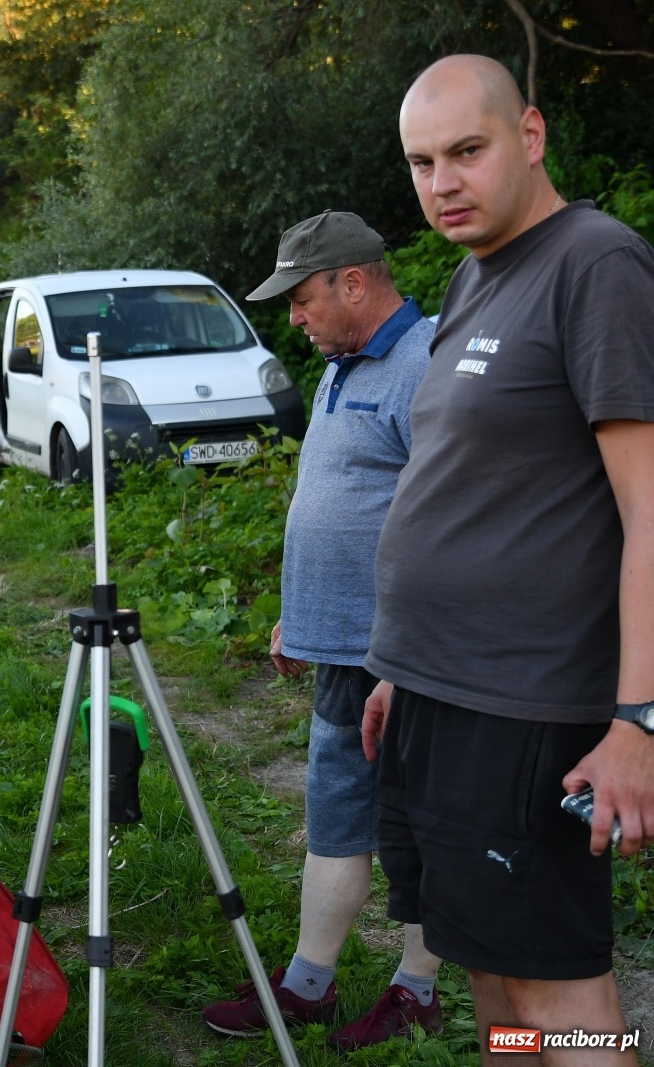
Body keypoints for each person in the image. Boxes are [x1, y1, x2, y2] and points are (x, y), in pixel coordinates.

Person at [363, 55, 654, 1062]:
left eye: (465, 152)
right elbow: (471, 485)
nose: (441, 182)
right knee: (489, 968)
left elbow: (648, 509)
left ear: (528, 137)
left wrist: (636, 720)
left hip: (528, 706)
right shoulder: (475, 273)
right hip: (443, 694)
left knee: (556, 984)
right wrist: (408, 668)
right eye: (420, 162)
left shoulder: (595, 264)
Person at [201, 212, 442, 1048]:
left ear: (353, 281)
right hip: (343, 646)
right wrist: (296, 610)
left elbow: (447, 519)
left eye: (301, 299)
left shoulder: (426, 363)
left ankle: (418, 988)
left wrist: (408, 649)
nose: (293, 318)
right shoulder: (346, 363)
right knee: (335, 809)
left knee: (417, 822)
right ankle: (310, 984)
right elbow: (344, 501)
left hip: (406, 653)